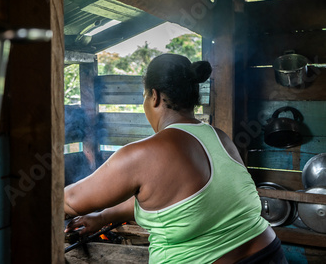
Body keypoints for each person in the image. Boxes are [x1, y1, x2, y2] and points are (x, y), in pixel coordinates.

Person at [64, 54, 287, 263]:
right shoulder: (219, 137)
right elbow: (170, 202)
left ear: (155, 96)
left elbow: (70, 200)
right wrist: (103, 217)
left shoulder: (144, 153)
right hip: (269, 252)